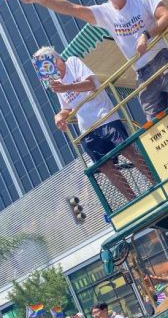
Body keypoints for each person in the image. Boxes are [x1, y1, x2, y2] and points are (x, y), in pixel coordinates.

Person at [16, 0, 168, 122]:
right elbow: (71, 8)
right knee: (156, 125)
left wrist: (146, 34)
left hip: (161, 59)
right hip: (141, 72)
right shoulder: (105, 12)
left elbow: (166, 16)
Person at [32, 46, 155, 201]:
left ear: (55, 59)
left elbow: (90, 84)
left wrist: (66, 87)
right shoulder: (57, 83)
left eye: (47, 64)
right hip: (87, 129)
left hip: (104, 116)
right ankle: (132, 199)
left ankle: (155, 181)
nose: (48, 70)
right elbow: (68, 108)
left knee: (127, 150)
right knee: (105, 166)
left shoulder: (72, 62)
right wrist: (59, 116)